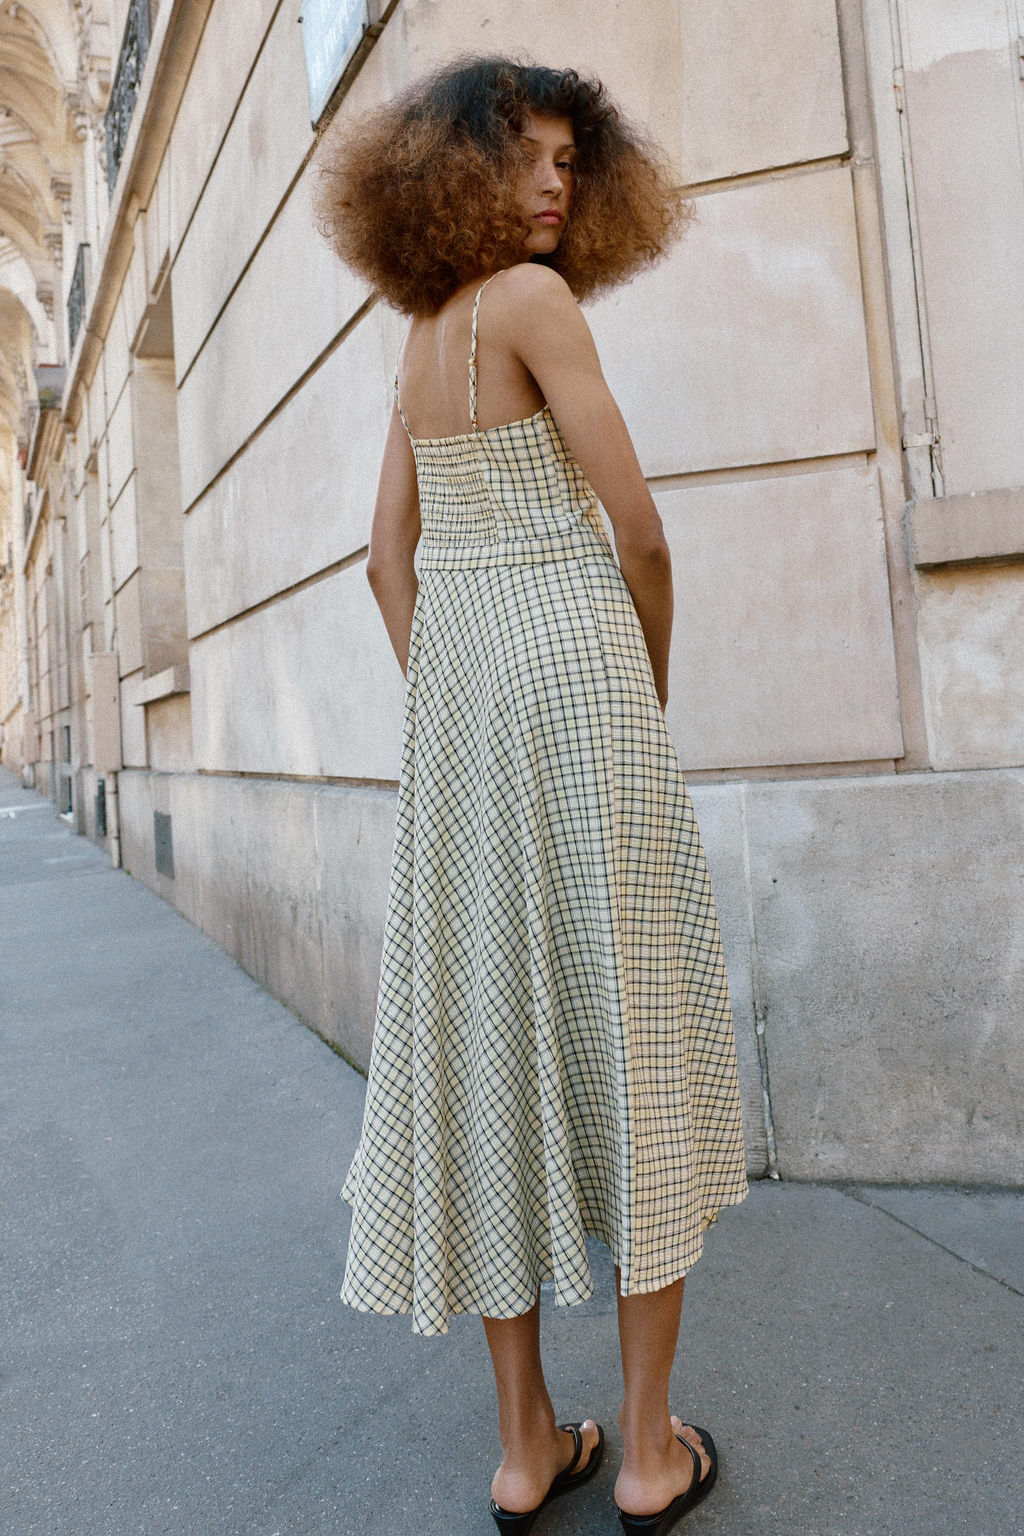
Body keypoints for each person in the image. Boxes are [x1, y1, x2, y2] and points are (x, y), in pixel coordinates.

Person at [312, 55, 748, 1536]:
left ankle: (522, 1451)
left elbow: (387, 562)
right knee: (637, 1037)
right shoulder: (538, 306)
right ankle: (641, 1451)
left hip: (464, 698)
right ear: (459, 171)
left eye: (573, 159)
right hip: (575, 672)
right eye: (532, 159)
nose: (559, 183)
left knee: (488, 1043)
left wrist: (452, 702)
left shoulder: (424, 330)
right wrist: (645, 697)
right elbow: (639, 532)